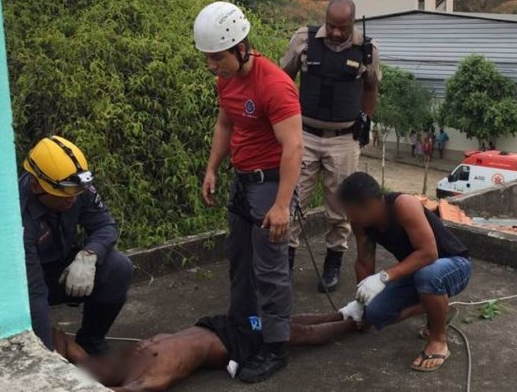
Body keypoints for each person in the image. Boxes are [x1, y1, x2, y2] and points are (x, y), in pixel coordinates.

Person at [194, 2, 303, 382]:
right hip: (243, 182)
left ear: (241, 48)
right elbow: (225, 123)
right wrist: (212, 168)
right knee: (239, 260)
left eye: (217, 58)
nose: (212, 66)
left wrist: (282, 205)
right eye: (207, 59)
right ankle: (247, 324)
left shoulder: (274, 85)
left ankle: (275, 345)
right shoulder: (226, 80)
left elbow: (294, 147)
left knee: (271, 270)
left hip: (271, 185)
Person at [281, 0, 381, 293]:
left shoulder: (366, 49)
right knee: (290, 200)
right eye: (332, 25)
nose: (337, 32)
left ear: (353, 23)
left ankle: (333, 265)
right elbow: (283, 80)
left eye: (344, 27)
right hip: (304, 135)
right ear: (325, 19)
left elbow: (371, 87)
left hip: (344, 140)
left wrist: (366, 121)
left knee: (340, 208)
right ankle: (283, 263)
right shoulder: (304, 39)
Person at [337, 172, 471, 372]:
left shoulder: (403, 205)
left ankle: (438, 340)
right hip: (417, 271)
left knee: (429, 275)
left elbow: (429, 253)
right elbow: (364, 261)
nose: (350, 217)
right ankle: (438, 309)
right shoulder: (361, 223)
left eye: (352, 212)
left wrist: (384, 277)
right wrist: (361, 303)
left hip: (454, 265)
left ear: (368, 204)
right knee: (375, 314)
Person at [20, 136, 133, 354]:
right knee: (42, 339)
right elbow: (35, 295)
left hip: (63, 268)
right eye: (62, 195)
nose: (71, 200)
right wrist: (48, 357)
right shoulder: (21, 216)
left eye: (75, 193)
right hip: (26, 284)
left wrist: (89, 255)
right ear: (36, 186)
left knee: (119, 268)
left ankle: (90, 343)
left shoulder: (75, 185)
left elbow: (105, 226)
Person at [53, 311, 360, 392]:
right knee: (292, 329)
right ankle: (351, 320)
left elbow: (66, 344)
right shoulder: (142, 373)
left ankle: (349, 319)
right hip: (228, 336)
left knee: (290, 325)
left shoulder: (128, 370)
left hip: (221, 327)